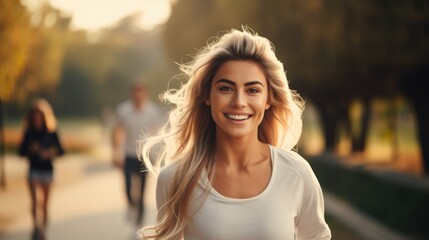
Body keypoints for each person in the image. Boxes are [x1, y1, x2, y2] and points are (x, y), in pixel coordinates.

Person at [138, 27, 332, 240]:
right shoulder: (175, 179)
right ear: (207, 96)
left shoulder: (296, 174)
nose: (239, 102)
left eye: (253, 90)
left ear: (268, 100)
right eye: (226, 88)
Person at [111, 80, 163, 228]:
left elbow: (156, 134)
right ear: (132, 93)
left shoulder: (152, 111)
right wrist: (115, 153)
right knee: (127, 187)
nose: (138, 94)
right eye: (136, 91)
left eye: (141, 91)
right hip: (128, 154)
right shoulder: (123, 110)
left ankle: (139, 222)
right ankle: (131, 206)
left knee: (142, 190)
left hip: (144, 157)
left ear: (145, 93)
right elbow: (118, 132)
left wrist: (156, 155)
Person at [18, 98, 65, 240]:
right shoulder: (29, 132)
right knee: (34, 201)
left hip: (47, 170)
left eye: (40, 117)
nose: (38, 120)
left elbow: (61, 151)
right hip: (34, 170)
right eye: (35, 117)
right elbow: (21, 152)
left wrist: (50, 153)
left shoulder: (52, 132)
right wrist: (30, 149)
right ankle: (35, 226)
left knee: (44, 204)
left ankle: (43, 230)